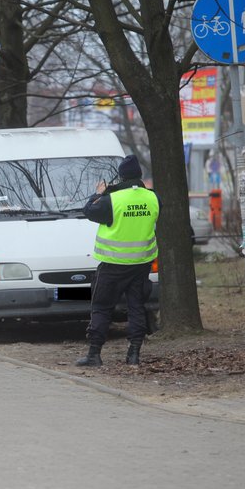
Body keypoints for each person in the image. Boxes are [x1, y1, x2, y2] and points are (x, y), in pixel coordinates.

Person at [76, 154, 160, 367]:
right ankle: (134, 355)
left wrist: (98, 194)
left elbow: (88, 211)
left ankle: (94, 354)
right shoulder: (153, 198)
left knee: (102, 307)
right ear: (139, 175)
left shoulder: (111, 200)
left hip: (113, 265)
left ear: (121, 177)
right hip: (141, 264)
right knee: (136, 308)